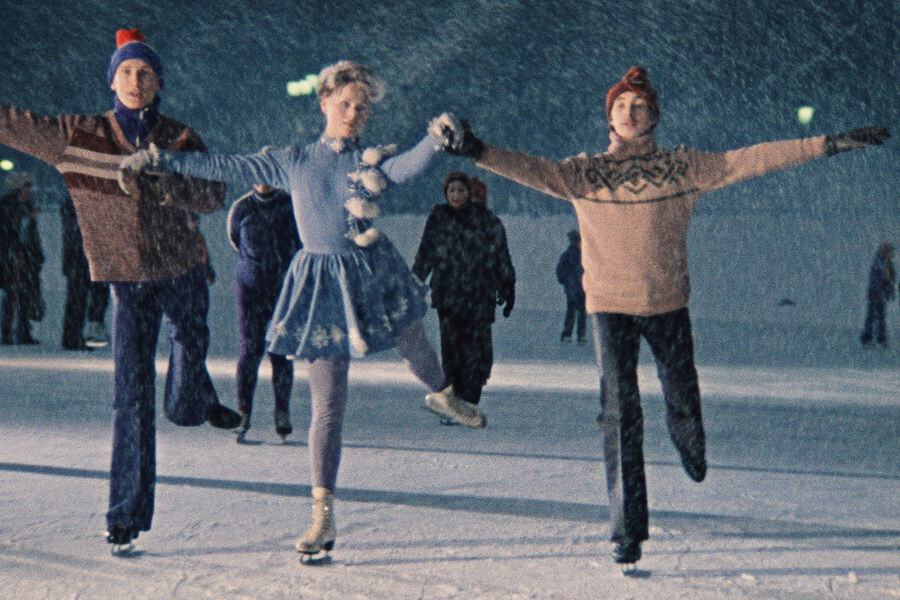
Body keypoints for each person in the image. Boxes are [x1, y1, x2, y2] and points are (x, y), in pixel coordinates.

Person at [440, 66, 890, 566]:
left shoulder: (683, 167)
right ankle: (627, 529)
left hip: (667, 304)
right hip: (608, 307)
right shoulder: (583, 173)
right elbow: (527, 167)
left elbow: (753, 159)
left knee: (681, 394)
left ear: (654, 115)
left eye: (639, 105)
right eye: (621, 106)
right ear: (609, 117)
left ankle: (689, 439)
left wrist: (829, 143)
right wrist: (474, 149)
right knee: (619, 412)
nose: (629, 113)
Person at [120, 60, 484, 559]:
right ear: (324, 102)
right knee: (329, 403)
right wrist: (160, 159)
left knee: (412, 338)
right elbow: (226, 166)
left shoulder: (367, 163)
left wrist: (434, 138)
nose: (353, 114)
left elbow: (402, 168)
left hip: (370, 265)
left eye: (362, 108)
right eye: (345, 104)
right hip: (320, 283)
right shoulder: (293, 161)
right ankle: (322, 514)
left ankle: (441, 393)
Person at [0, 28, 243, 550]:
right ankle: (125, 512)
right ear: (112, 80)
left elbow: (213, 196)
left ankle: (191, 403)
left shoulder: (179, 137)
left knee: (189, 346)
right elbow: (12, 122)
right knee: (130, 397)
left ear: (158, 84)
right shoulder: (79, 135)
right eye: (127, 71)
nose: (136, 81)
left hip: (181, 270)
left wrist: (168, 184)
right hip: (126, 280)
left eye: (146, 73)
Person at [413, 172, 515, 415]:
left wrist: (507, 288)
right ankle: (455, 400)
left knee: (477, 352)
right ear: (445, 194)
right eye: (452, 191)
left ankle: (470, 396)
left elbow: (501, 257)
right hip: (448, 296)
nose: (456, 195)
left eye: (461, 190)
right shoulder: (438, 220)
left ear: (469, 193)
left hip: (479, 296)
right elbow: (425, 253)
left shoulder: (488, 222)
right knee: (452, 351)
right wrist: (414, 283)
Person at [228, 183, 301, 441]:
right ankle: (243, 412)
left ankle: (282, 412)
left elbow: (300, 242)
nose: (263, 182)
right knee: (250, 350)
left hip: (283, 288)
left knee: (281, 350)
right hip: (250, 288)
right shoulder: (241, 208)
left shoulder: (292, 205)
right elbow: (235, 240)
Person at [60, 192, 111, 351]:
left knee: (79, 298)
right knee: (84, 298)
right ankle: (77, 335)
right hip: (84, 258)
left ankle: (73, 335)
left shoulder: (73, 203)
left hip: (80, 258)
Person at [0, 172, 44, 345]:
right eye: (27, 186)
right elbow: (7, 229)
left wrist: (37, 254)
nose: (30, 190)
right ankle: (8, 331)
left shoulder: (27, 205)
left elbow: (32, 234)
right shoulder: (6, 205)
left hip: (27, 257)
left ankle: (24, 330)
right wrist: (23, 219)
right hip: (11, 257)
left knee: (26, 295)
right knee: (12, 294)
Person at [860, 242, 896, 348]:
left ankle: (876, 338)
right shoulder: (880, 262)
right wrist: (880, 292)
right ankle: (872, 339)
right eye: (890, 251)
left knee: (877, 317)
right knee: (874, 317)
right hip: (876, 295)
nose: (892, 253)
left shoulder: (886, 263)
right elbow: (876, 280)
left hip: (880, 295)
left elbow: (888, 280)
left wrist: (888, 292)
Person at [556, 229, 586, 343]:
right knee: (581, 313)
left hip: (572, 288)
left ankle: (568, 335)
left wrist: (566, 281)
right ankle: (581, 335)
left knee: (572, 312)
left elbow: (560, 270)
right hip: (580, 288)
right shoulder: (584, 256)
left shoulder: (567, 255)